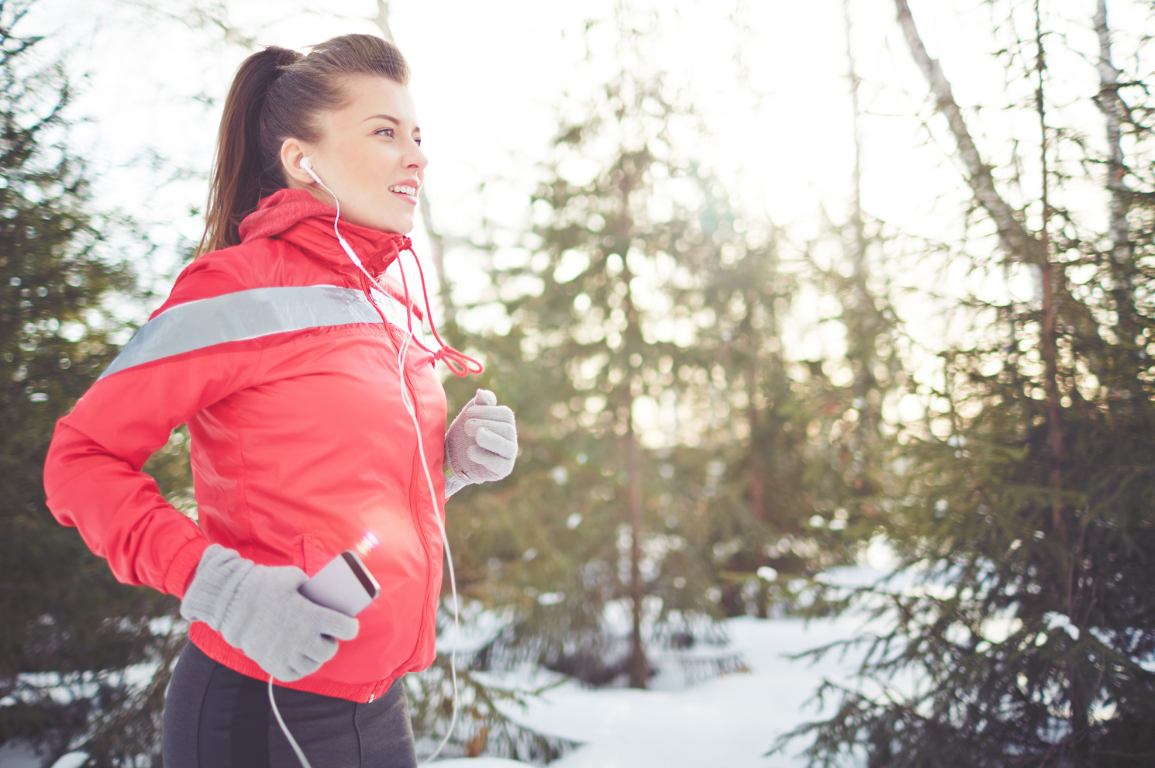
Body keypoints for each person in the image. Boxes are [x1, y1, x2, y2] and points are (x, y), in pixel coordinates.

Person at [42, 34, 517, 767]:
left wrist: (447, 466)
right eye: (385, 132)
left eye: (417, 136)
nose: (416, 157)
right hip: (259, 707)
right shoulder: (237, 289)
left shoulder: (384, 302)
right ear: (302, 160)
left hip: (373, 702)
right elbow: (80, 460)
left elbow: (343, 494)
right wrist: (222, 588)